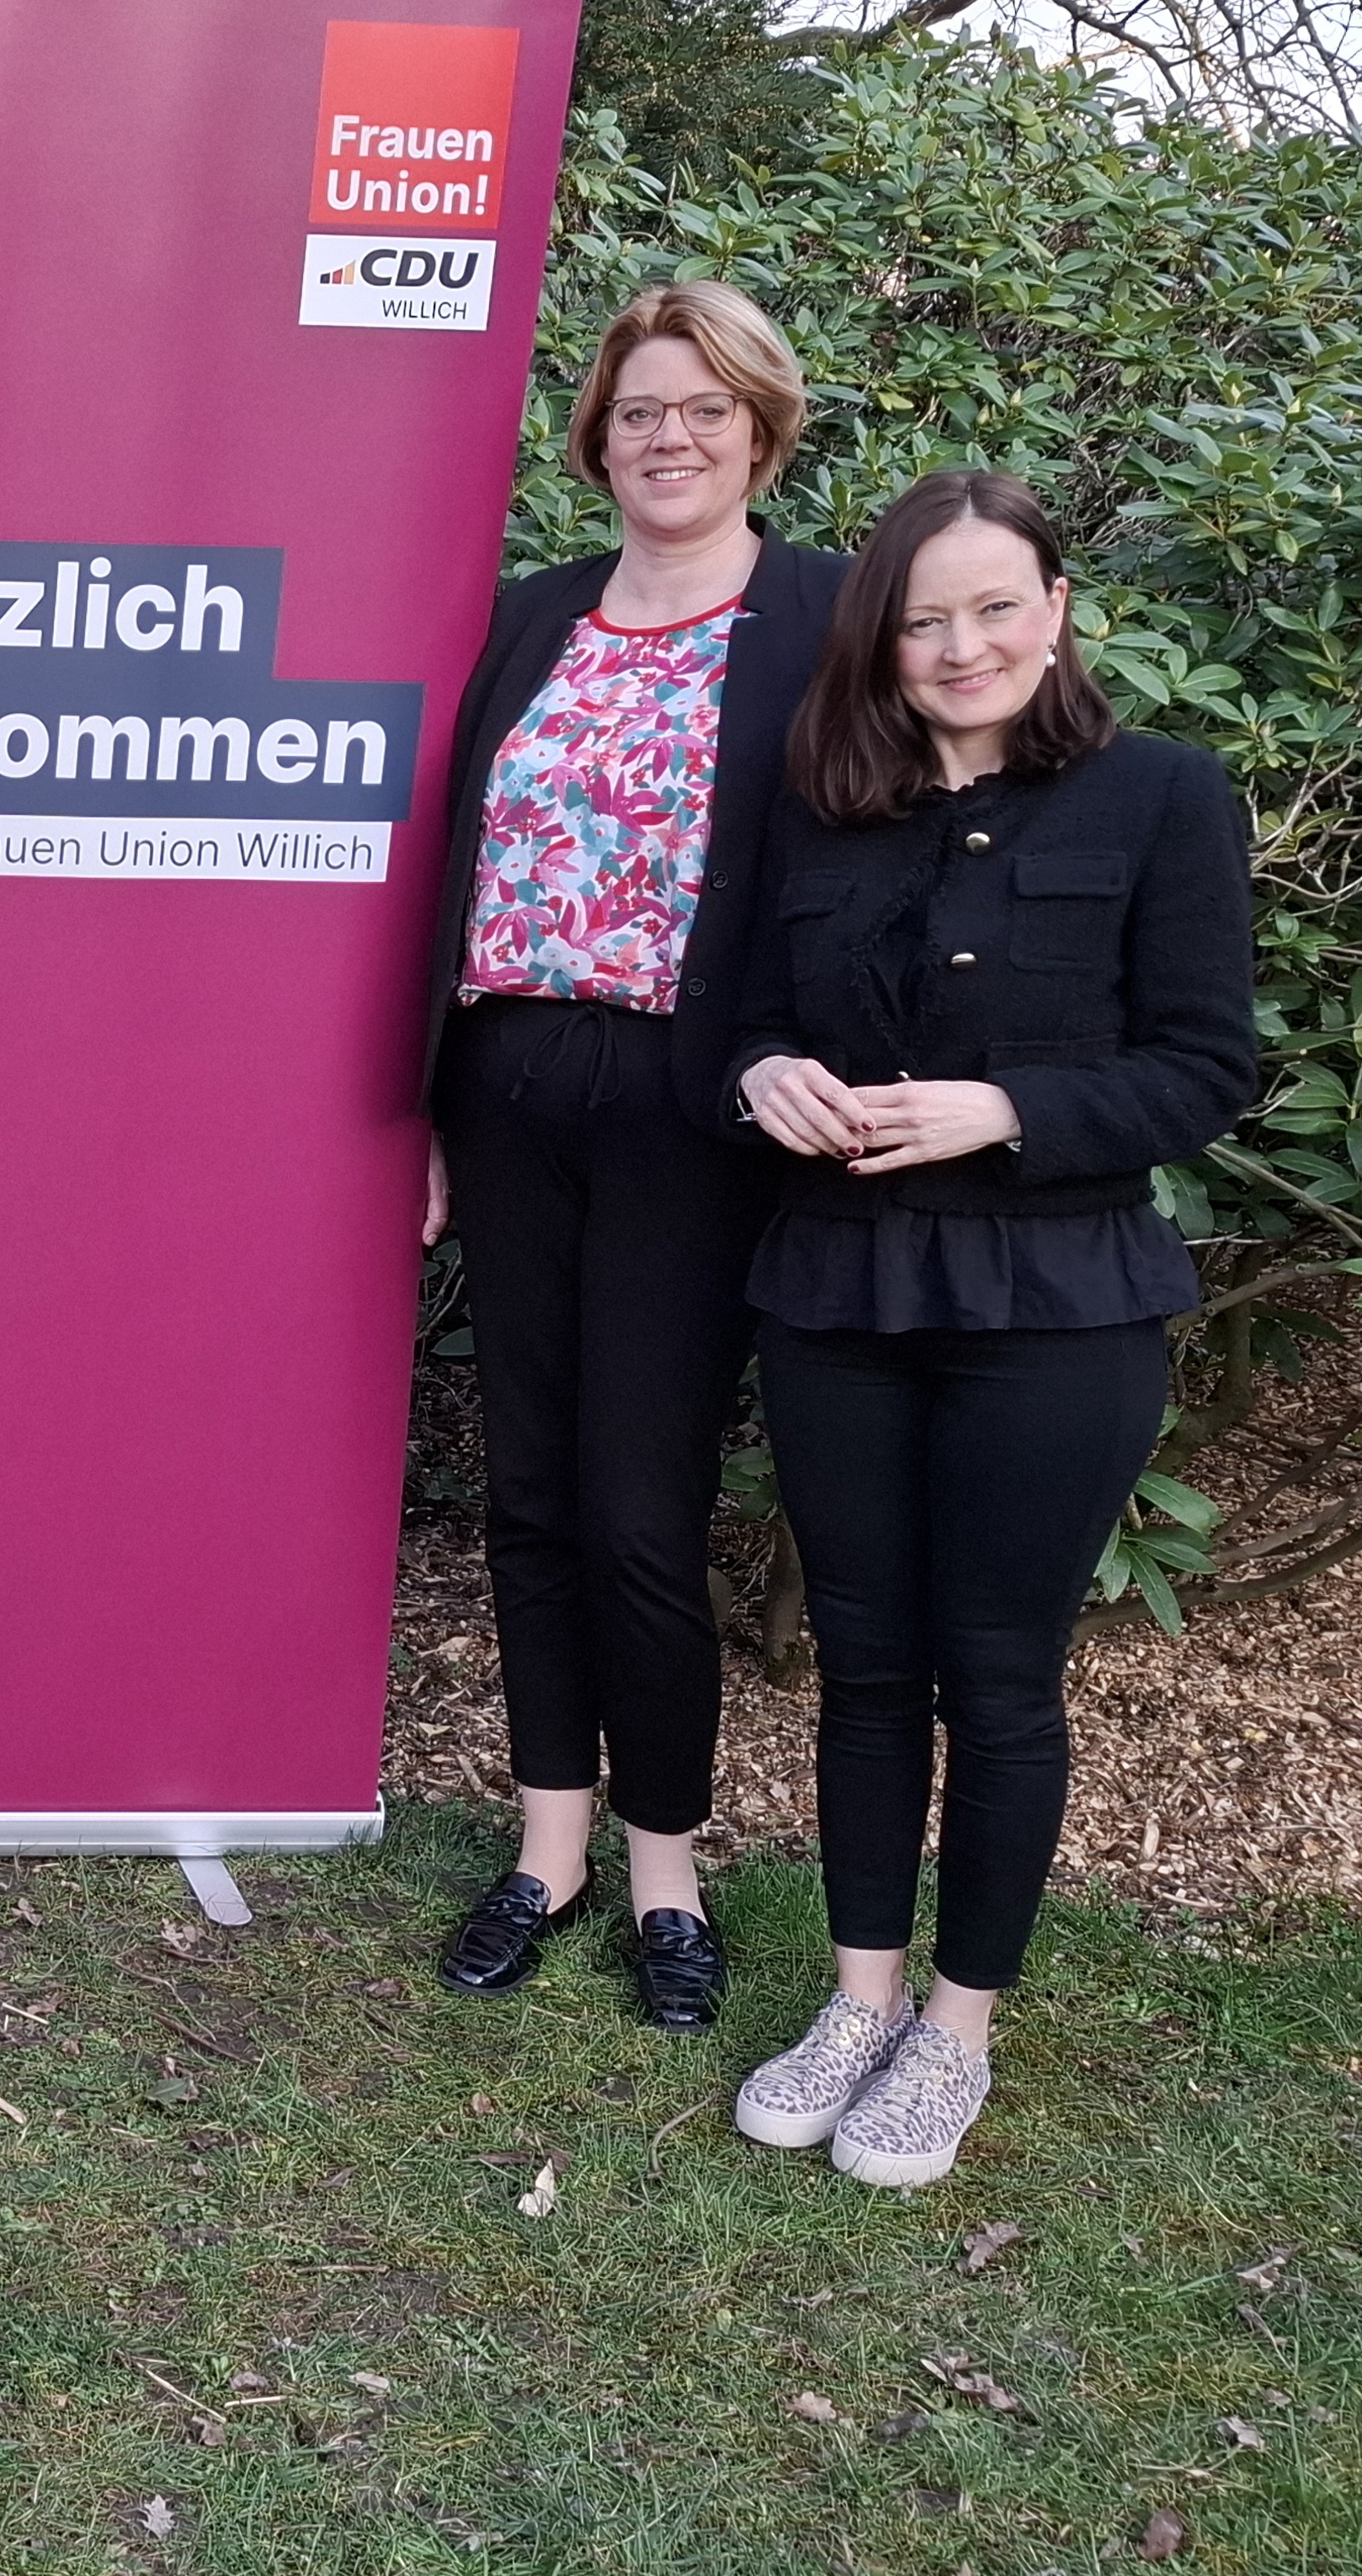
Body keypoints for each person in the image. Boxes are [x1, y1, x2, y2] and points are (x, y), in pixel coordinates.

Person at [727, 470, 1254, 2184]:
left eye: (990, 607)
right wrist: (758, 1073)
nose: (958, 645)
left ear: (1054, 607)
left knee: (999, 1676)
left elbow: (1199, 1068)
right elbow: (725, 1018)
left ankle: (956, 2025)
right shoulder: (815, 804)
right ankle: (859, 2000)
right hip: (837, 1290)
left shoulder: (1162, 799)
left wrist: (999, 1110)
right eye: (919, 616)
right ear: (875, 637)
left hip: (1053, 1306)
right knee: (865, 1665)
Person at [420, 281, 851, 2028]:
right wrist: (423, 1108)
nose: (662, 438)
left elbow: (863, 871)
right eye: (633, 411)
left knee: (638, 1508)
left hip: (693, 1106)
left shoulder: (820, 617)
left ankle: (664, 1871)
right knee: (524, 1486)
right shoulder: (528, 616)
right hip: (508, 1078)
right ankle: (543, 1847)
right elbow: (445, 867)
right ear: (591, 435)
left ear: (757, 424)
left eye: (698, 409)